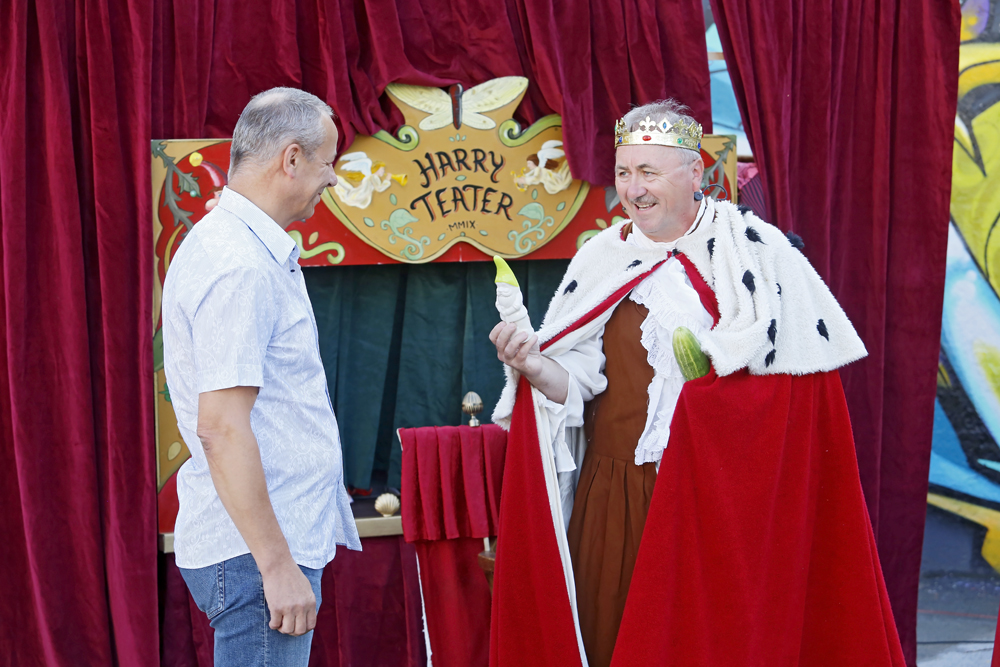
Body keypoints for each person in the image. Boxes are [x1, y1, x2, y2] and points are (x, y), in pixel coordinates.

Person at [488, 100, 906, 667]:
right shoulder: (602, 256)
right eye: (623, 172)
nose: (633, 189)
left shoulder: (755, 253)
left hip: (717, 504)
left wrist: (715, 402)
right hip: (616, 499)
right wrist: (533, 366)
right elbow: (580, 384)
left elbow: (799, 397)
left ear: (695, 173)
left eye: (649, 172)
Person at [162, 87, 360, 667]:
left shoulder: (237, 246)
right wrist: (276, 565)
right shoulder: (239, 264)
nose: (331, 179)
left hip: (256, 548)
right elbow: (221, 428)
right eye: (327, 162)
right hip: (256, 555)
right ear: (291, 158)